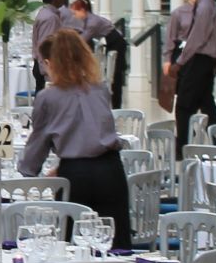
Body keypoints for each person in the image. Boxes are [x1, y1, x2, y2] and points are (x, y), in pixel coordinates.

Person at [20, 29, 132, 249]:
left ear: (51, 63)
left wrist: (28, 174)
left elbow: (39, 141)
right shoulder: (100, 90)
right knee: (114, 242)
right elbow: (91, 132)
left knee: (73, 244)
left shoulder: (48, 97)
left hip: (76, 175)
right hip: (111, 169)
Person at [167, 0, 216, 155]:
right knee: (206, 103)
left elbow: (198, 37)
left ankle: (182, 147)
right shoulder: (206, 4)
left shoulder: (205, 7)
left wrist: (180, 62)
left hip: (199, 60)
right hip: (204, 60)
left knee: (184, 104)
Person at [69, 0, 127, 106]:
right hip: (111, 42)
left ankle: (116, 104)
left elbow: (84, 39)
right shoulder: (88, 20)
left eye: (75, 12)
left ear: (82, 10)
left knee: (116, 74)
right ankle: (115, 103)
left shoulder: (92, 22)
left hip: (116, 42)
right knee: (114, 74)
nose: (74, 16)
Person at [30, 0, 67, 89]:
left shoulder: (45, 13)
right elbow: (45, 46)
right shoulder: (50, 18)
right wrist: (48, 72)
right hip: (47, 69)